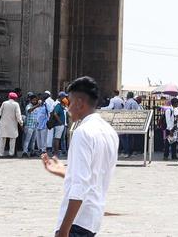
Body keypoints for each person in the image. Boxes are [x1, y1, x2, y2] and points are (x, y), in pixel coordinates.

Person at [42, 76, 118, 237]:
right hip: (93, 220)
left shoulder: (82, 132)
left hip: (77, 222)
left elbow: (80, 186)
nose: (68, 108)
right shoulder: (109, 132)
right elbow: (94, 176)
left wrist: (63, 231)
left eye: (69, 102)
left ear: (79, 103)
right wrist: (65, 172)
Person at [0, 91, 22, 157]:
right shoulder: (16, 104)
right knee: (12, 139)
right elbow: (18, 115)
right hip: (13, 124)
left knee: (3, 139)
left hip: (4, 123)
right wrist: (21, 122)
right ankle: (11, 154)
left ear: (9, 97)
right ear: (15, 98)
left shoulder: (4, 103)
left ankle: (1, 154)